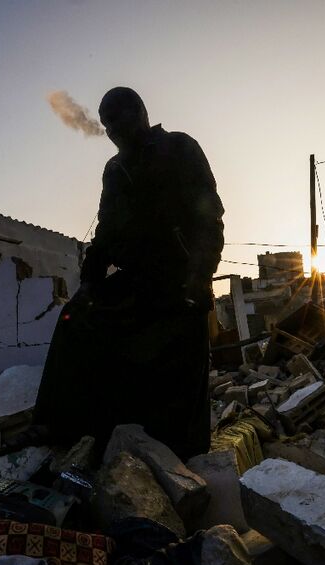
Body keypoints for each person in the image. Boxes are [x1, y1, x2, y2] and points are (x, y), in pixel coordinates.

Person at [34, 87, 224, 460]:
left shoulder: (180, 148)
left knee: (179, 357)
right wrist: (89, 282)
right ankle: (70, 430)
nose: (112, 131)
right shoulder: (114, 170)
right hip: (136, 280)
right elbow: (104, 233)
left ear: (139, 112)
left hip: (180, 278)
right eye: (105, 125)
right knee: (75, 321)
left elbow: (209, 218)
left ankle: (178, 458)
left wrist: (199, 278)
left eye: (118, 120)